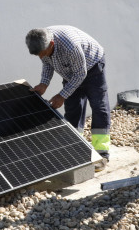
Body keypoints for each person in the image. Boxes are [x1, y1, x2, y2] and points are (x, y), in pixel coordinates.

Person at [25, 26, 111, 171]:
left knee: (99, 107)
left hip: (93, 66)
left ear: (51, 44)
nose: (41, 57)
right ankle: (75, 148)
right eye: (38, 55)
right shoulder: (42, 41)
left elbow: (80, 74)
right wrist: (44, 84)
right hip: (71, 71)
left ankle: (101, 153)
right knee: (73, 109)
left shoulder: (70, 46)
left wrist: (62, 95)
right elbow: (47, 63)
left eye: (42, 53)